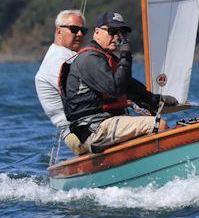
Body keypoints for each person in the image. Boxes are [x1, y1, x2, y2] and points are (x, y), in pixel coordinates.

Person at [61, 11, 178, 154]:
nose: (117, 37)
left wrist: (156, 100)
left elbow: (131, 87)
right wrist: (125, 56)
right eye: (112, 32)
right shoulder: (89, 59)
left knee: (153, 126)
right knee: (158, 125)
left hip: (104, 125)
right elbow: (115, 88)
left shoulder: (105, 59)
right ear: (97, 32)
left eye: (121, 34)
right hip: (94, 129)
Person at [34, 9, 87, 153]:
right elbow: (82, 94)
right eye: (74, 29)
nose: (80, 34)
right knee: (151, 125)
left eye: (83, 30)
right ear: (59, 32)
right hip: (79, 133)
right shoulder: (57, 61)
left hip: (89, 125)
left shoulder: (70, 57)